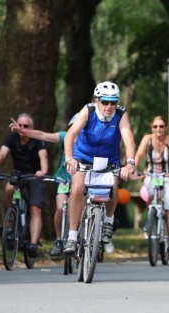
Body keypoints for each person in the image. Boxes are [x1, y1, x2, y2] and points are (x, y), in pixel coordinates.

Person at [63, 81, 137, 255]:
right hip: (83, 155)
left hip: (108, 158)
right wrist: (69, 158)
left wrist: (131, 163)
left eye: (113, 102)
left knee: (112, 187)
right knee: (77, 188)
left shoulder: (121, 113)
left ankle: (108, 221)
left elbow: (128, 139)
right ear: (97, 100)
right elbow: (70, 135)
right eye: (105, 101)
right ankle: (72, 238)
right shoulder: (88, 111)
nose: (109, 106)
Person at [8, 114, 81, 256]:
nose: (77, 130)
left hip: (83, 182)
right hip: (64, 180)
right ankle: (59, 240)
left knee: (81, 210)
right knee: (61, 209)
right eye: (74, 127)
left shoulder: (91, 140)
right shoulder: (65, 137)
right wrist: (22, 131)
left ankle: (83, 237)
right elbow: (43, 135)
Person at [0, 113, 48, 258]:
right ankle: (12, 215)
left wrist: (43, 171)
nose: (21, 128)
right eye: (19, 125)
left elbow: (43, 157)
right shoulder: (12, 138)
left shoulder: (37, 139)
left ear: (31, 127)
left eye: (25, 126)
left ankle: (33, 244)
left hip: (35, 175)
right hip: (18, 173)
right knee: (9, 188)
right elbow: (1, 154)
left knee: (34, 209)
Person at [135, 116, 169, 252]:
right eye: (155, 126)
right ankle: (150, 217)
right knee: (150, 196)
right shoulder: (147, 139)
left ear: (166, 127)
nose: (158, 129)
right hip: (151, 174)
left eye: (161, 126)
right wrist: (133, 169)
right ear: (152, 127)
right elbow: (138, 155)